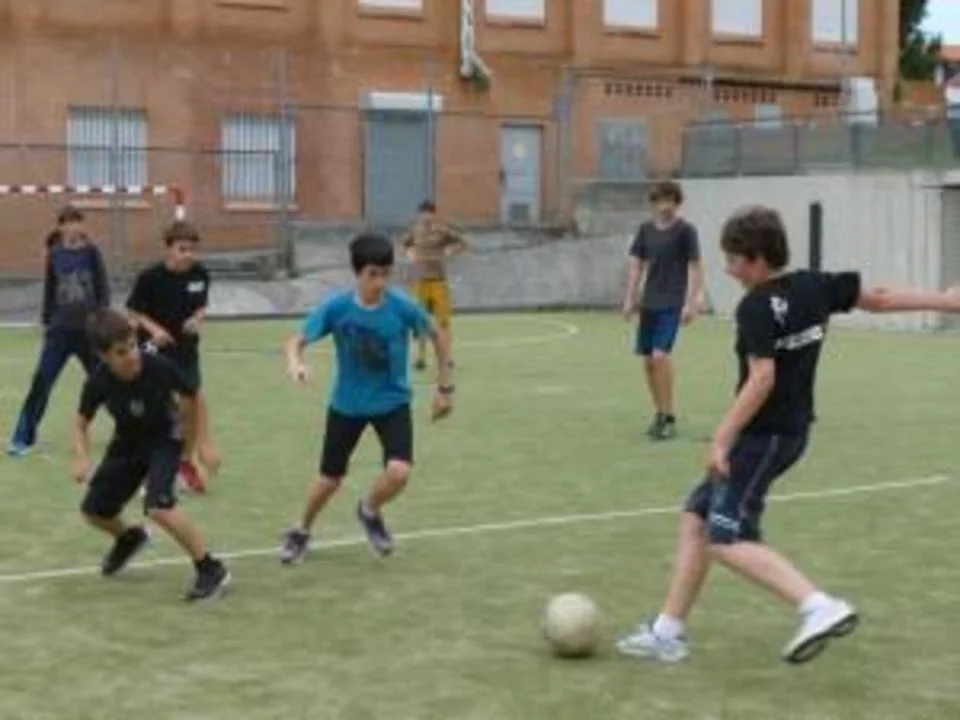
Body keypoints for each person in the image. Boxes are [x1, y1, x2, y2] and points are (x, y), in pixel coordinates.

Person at [616, 205, 960, 665]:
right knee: (697, 517)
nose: (729, 269)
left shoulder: (755, 307)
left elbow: (762, 379)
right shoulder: (814, 285)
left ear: (757, 259)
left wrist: (721, 439)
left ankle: (818, 606)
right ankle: (667, 631)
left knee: (726, 537)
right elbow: (878, 298)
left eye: (734, 260)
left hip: (763, 437)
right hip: (790, 433)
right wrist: (947, 301)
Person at [279, 232, 454, 564]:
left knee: (399, 471)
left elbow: (437, 335)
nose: (380, 282)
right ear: (356, 272)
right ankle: (301, 530)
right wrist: (295, 362)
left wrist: (444, 389)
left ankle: (369, 509)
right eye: (372, 274)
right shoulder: (337, 308)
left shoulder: (401, 307)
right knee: (330, 479)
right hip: (348, 404)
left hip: (392, 402)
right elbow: (295, 341)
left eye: (386, 274)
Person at [72, 309, 230, 601]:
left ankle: (211, 568)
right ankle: (129, 537)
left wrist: (201, 444)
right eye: (121, 352)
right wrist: (82, 458)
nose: (132, 356)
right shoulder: (98, 382)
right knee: (93, 510)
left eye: (133, 345)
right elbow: (81, 423)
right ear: (103, 356)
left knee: (159, 506)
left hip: (165, 438)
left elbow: (193, 395)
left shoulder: (157, 366)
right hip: (127, 443)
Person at [126, 220, 218, 494]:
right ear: (168, 249)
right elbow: (134, 312)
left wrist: (197, 319)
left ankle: (185, 463)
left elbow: (201, 306)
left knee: (190, 405)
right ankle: (147, 468)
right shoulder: (149, 278)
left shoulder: (200, 274)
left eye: (192, 249)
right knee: (157, 411)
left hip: (186, 351)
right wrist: (155, 330)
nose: (188, 255)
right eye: (182, 249)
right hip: (153, 352)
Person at [8, 206, 109, 457]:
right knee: (42, 381)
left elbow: (103, 288)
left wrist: (102, 319)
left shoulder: (92, 252)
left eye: (78, 222)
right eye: (69, 223)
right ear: (61, 227)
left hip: (89, 333)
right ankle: (23, 438)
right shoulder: (54, 254)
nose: (75, 227)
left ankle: (134, 430)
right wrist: (46, 320)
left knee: (106, 381)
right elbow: (50, 289)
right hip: (59, 333)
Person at [621, 181, 704, 441]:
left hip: (672, 304)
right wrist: (630, 298)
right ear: (654, 203)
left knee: (659, 357)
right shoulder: (645, 231)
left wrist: (692, 301)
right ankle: (659, 414)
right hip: (649, 304)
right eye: (660, 200)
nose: (665, 206)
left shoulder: (686, 231)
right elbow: (636, 264)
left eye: (670, 200)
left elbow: (696, 266)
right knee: (647, 362)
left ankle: (669, 416)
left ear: (677, 203)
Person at [399, 200, 469, 371]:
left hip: (438, 280)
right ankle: (420, 357)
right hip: (419, 281)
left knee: (443, 321)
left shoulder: (441, 230)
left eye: (428, 214)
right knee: (419, 320)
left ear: (433, 214)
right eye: (423, 215)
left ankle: (446, 357)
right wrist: (411, 256)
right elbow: (404, 245)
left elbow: (462, 243)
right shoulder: (415, 230)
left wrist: (449, 253)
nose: (425, 218)